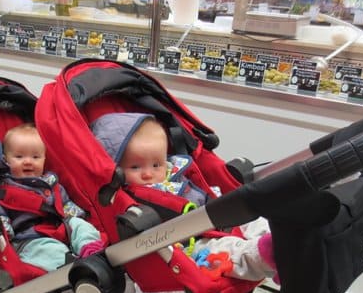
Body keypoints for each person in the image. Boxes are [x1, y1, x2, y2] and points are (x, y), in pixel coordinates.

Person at [90, 112, 277, 282]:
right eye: (135, 167)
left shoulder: (175, 171)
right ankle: (266, 255)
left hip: (214, 213)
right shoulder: (122, 197)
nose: (148, 174)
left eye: (156, 165)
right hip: (184, 241)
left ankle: (281, 237)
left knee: (253, 219)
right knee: (223, 252)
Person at [0, 123, 105, 272]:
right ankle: (74, 266)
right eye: (19, 156)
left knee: (79, 225)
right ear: (6, 160)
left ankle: (91, 250)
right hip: (30, 238)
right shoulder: (2, 189)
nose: (28, 161)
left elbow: (65, 203)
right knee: (50, 252)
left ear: (44, 159)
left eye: (35, 157)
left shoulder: (50, 183)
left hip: (59, 227)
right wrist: (5, 229)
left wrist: (77, 216)